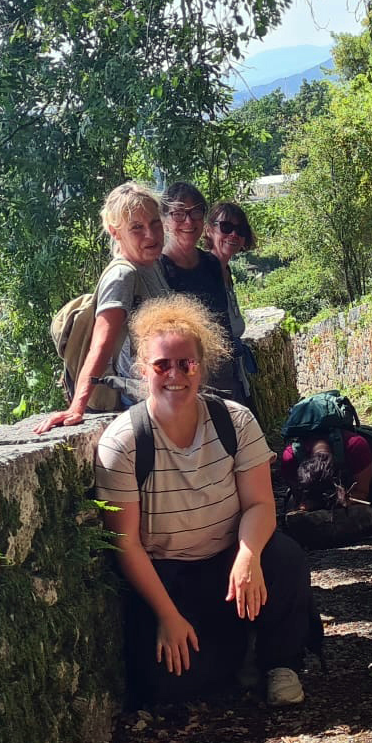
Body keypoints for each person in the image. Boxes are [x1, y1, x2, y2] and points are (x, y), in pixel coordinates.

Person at [94, 296, 314, 707]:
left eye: (187, 364)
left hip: (230, 562)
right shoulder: (123, 443)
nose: (175, 374)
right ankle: (241, 651)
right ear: (143, 371)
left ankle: (281, 661)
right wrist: (166, 615)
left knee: (283, 557)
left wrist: (248, 557)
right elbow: (126, 543)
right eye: (162, 365)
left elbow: (260, 506)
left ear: (202, 367)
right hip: (169, 576)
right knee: (167, 686)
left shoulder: (235, 422)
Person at [35, 182, 169, 434]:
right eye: (137, 228)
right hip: (137, 402)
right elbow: (100, 345)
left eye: (154, 224)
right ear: (114, 231)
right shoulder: (122, 275)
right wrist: (78, 407)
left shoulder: (152, 265)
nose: (150, 235)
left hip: (162, 391)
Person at [158, 182, 249, 404]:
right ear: (165, 220)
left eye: (196, 212)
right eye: (179, 214)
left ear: (203, 219)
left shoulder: (212, 264)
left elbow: (224, 326)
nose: (189, 221)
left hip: (223, 378)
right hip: (182, 384)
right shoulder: (158, 269)